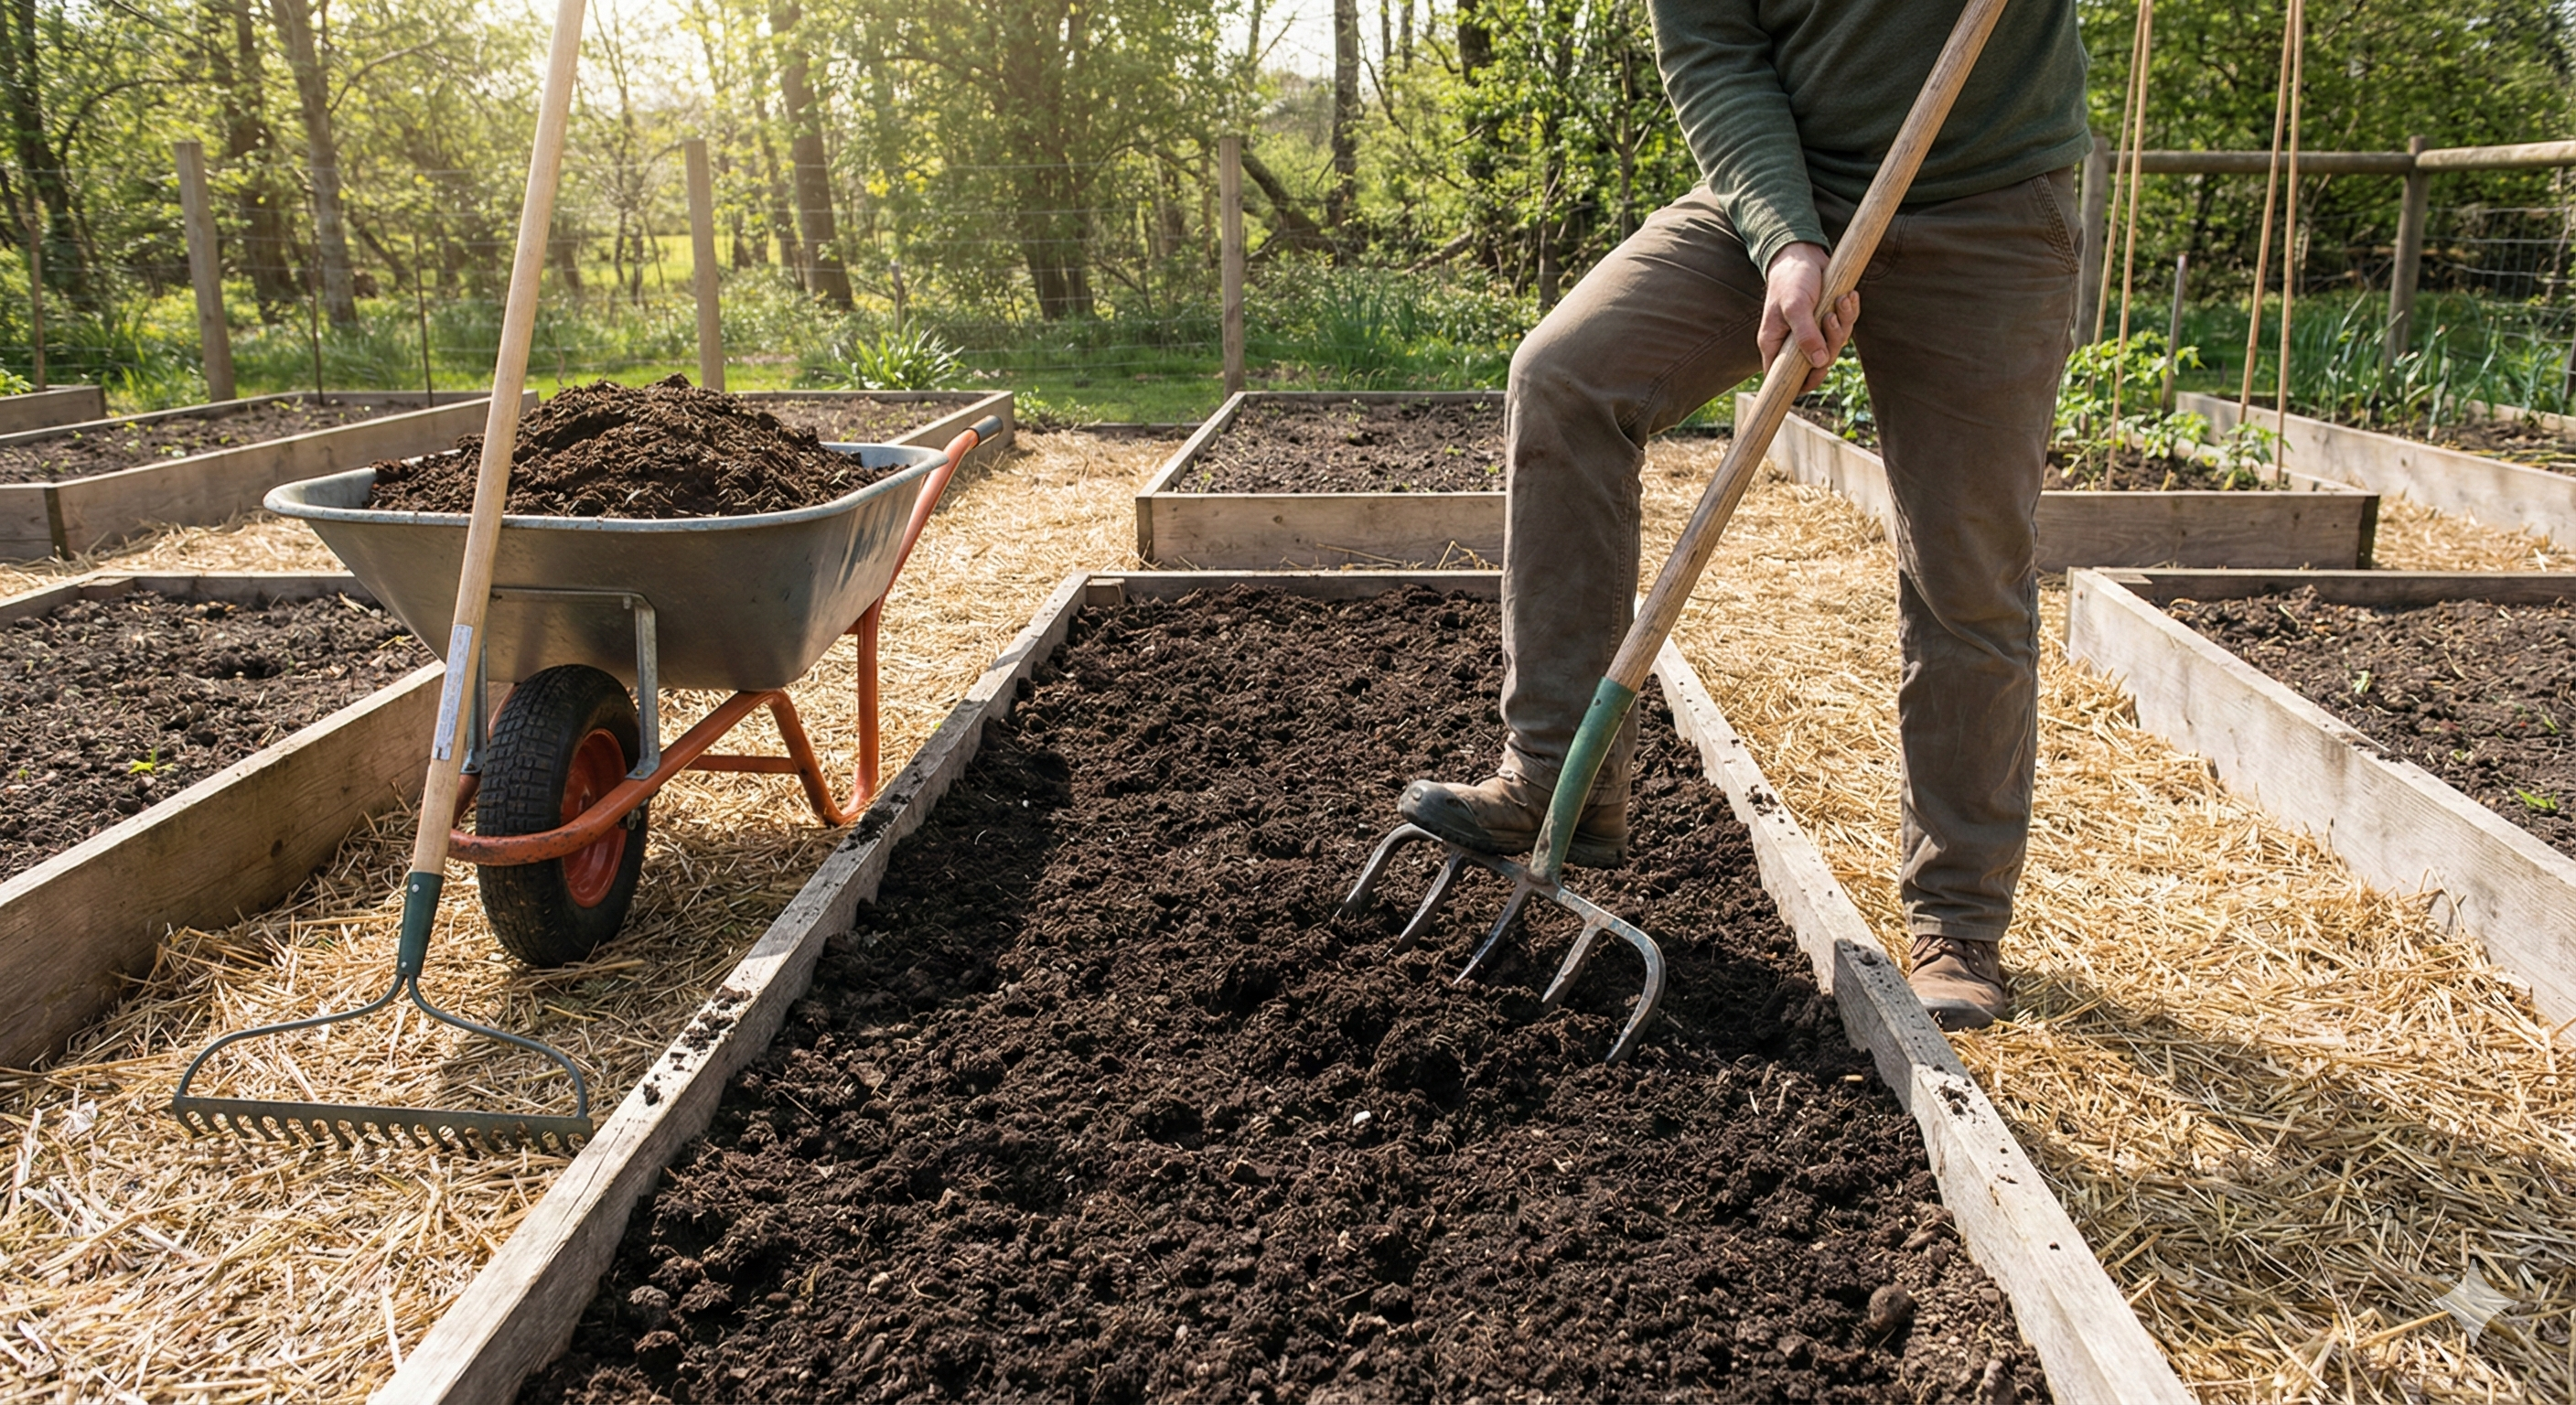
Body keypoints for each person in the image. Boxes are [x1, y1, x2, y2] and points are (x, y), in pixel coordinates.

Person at [1397, 0, 2093, 1030]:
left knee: (1966, 566)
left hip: (1988, 203)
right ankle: (1554, 776)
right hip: (1786, 185)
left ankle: (1956, 923)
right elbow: (1714, 51)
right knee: (1565, 376)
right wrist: (1783, 240)